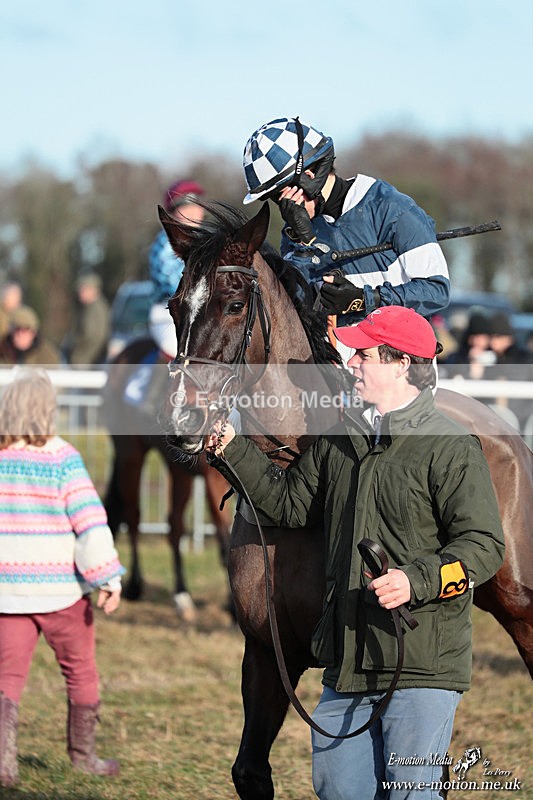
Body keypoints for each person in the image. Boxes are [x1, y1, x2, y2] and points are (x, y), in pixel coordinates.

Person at [206, 306, 505, 800]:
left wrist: (417, 580)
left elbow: (484, 548)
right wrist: (233, 448)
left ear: (400, 364)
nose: (351, 363)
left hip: (422, 670)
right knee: (337, 789)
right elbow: (288, 504)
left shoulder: (452, 447)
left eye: (362, 354)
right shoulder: (339, 438)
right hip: (345, 663)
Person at [0, 370, 125, 787]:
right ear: (48, 412)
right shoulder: (61, 457)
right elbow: (89, 522)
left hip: (8, 596)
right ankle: (83, 756)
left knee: (6, 679)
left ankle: (3, 763)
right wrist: (107, 577)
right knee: (81, 672)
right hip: (62, 594)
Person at [242, 117, 450, 355]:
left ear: (310, 175)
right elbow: (296, 307)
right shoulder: (294, 233)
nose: (285, 206)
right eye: (276, 200)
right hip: (339, 369)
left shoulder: (392, 208)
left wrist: (363, 298)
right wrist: (304, 244)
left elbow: (436, 291)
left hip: (398, 369)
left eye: (282, 194)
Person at [148, 179, 206, 359]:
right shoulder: (165, 244)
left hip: (200, 312)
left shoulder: (207, 241)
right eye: (186, 208)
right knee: (179, 351)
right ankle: (156, 387)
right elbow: (174, 285)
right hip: (168, 315)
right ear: (173, 213)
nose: (194, 213)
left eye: (197, 207)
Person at [488, 311, 533, 430]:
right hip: (498, 421)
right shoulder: (489, 357)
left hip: (521, 422)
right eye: (491, 336)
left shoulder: (525, 358)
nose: (493, 341)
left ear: (508, 337)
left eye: (498, 336)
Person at [63, 273, 110, 366]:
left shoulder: (97, 309)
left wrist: (73, 343)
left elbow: (91, 335)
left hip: (85, 360)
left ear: (93, 290)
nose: (80, 293)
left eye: (83, 289)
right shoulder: (87, 308)